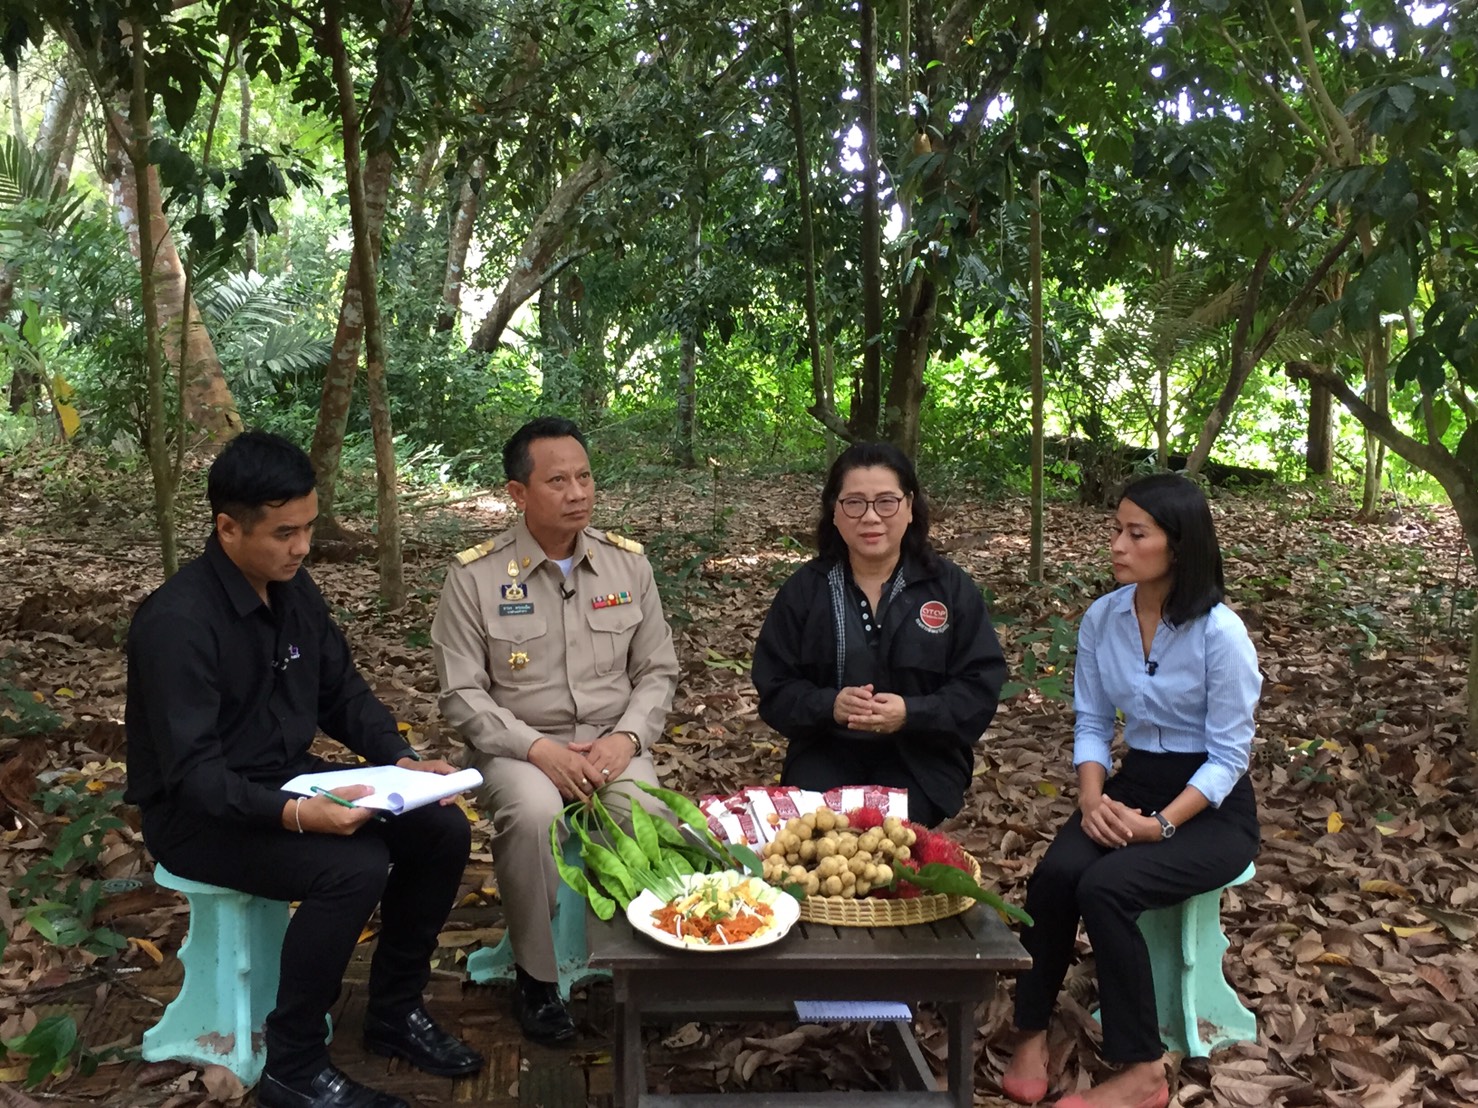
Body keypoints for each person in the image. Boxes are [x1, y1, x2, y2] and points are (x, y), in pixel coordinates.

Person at [125, 432, 483, 1108]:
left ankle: (394, 1009)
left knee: (440, 829)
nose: (302, 547)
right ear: (227, 528)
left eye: (309, 527)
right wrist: (296, 816)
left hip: (288, 778)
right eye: (284, 533)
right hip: (197, 816)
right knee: (351, 868)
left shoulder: (293, 590)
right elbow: (196, 776)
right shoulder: (177, 622)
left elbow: (340, 691)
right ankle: (293, 1062)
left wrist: (402, 762)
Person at [1001, 473, 1262, 1108]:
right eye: (1116, 529)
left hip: (1211, 808)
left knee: (1108, 886)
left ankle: (1143, 1070)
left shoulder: (1220, 633)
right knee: (1057, 875)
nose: (1117, 544)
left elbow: (1229, 757)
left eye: (1136, 533)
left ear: (1179, 544)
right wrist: (1092, 799)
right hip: (1133, 782)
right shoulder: (1105, 617)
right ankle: (1030, 1031)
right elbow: (1092, 722)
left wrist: (1161, 825)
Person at [431, 416, 678, 1045]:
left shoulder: (628, 567)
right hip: (517, 747)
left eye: (585, 477)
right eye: (558, 481)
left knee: (647, 811)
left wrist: (627, 739)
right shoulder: (475, 577)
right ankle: (538, 980)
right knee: (534, 814)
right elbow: (461, 693)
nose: (578, 493)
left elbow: (657, 672)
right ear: (518, 493)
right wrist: (537, 749)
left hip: (611, 740)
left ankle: (649, 960)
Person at [750, 442, 1006, 828]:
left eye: (886, 502)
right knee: (818, 837)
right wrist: (829, 706)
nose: (871, 517)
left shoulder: (949, 588)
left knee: (888, 839)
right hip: (824, 751)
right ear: (835, 511)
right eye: (854, 503)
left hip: (922, 758)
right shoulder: (805, 589)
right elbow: (775, 687)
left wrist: (911, 713)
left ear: (909, 507)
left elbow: (979, 687)